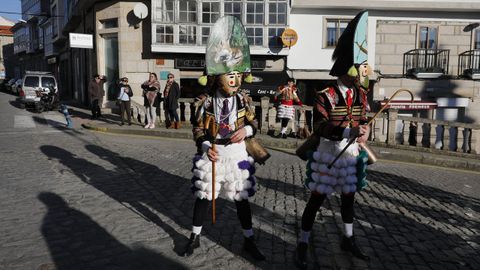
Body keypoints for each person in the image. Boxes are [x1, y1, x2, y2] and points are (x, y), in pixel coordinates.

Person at [180, 15, 265, 261]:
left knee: (241, 198)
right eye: (230, 75)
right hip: (214, 153)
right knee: (204, 197)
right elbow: (197, 129)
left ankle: (249, 240)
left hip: (238, 154)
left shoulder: (244, 100)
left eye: (238, 75)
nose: (235, 80)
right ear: (218, 76)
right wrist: (206, 145)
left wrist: (247, 131)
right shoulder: (204, 103)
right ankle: (194, 237)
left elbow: (254, 124)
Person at [294, 11, 372, 269]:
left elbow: (363, 120)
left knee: (349, 199)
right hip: (329, 152)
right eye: (358, 68)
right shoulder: (324, 95)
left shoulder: (361, 95)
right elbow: (320, 126)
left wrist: (363, 131)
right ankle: (303, 243)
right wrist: (347, 132)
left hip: (350, 154)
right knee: (316, 200)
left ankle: (348, 239)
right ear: (347, 69)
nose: (361, 72)